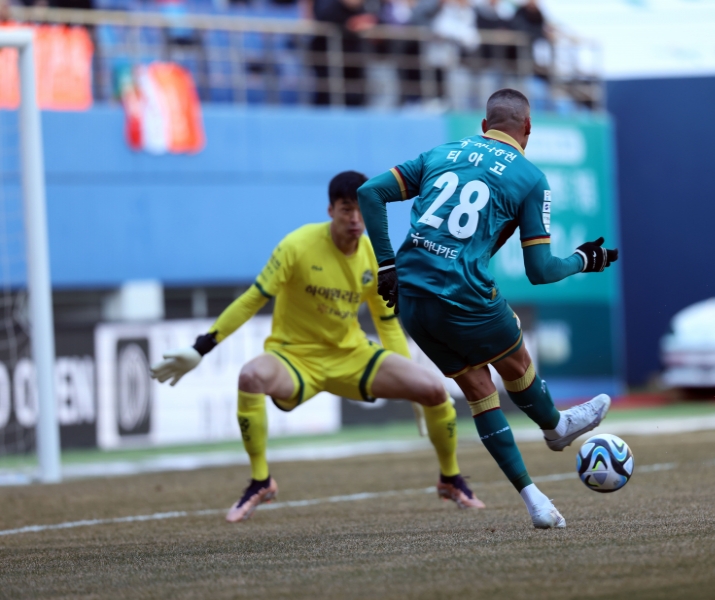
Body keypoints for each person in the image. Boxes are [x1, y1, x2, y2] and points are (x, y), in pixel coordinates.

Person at [150, 171, 484, 523]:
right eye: (346, 210)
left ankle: (450, 478)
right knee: (250, 376)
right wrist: (202, 347)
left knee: (433, 388)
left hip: (351, 356)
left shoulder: (374, 255)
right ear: (330, 210)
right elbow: (252, 299)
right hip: (294, 357)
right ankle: (261, 481)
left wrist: (411, 378)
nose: (355, 219)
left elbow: (386, 322)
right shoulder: (297, 246)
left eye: (361, 211)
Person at [357, 88, 618, 529]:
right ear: (528, 129)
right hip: (461, 290)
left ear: (484, 125)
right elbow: (540, 271)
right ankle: (555, 426)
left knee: (479, 390)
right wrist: (584, 261)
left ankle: (535, 499)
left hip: (411, 298)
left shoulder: (442, 152)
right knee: (514, 356)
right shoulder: (531, 179)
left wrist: (386, 265)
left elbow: (369, 192)